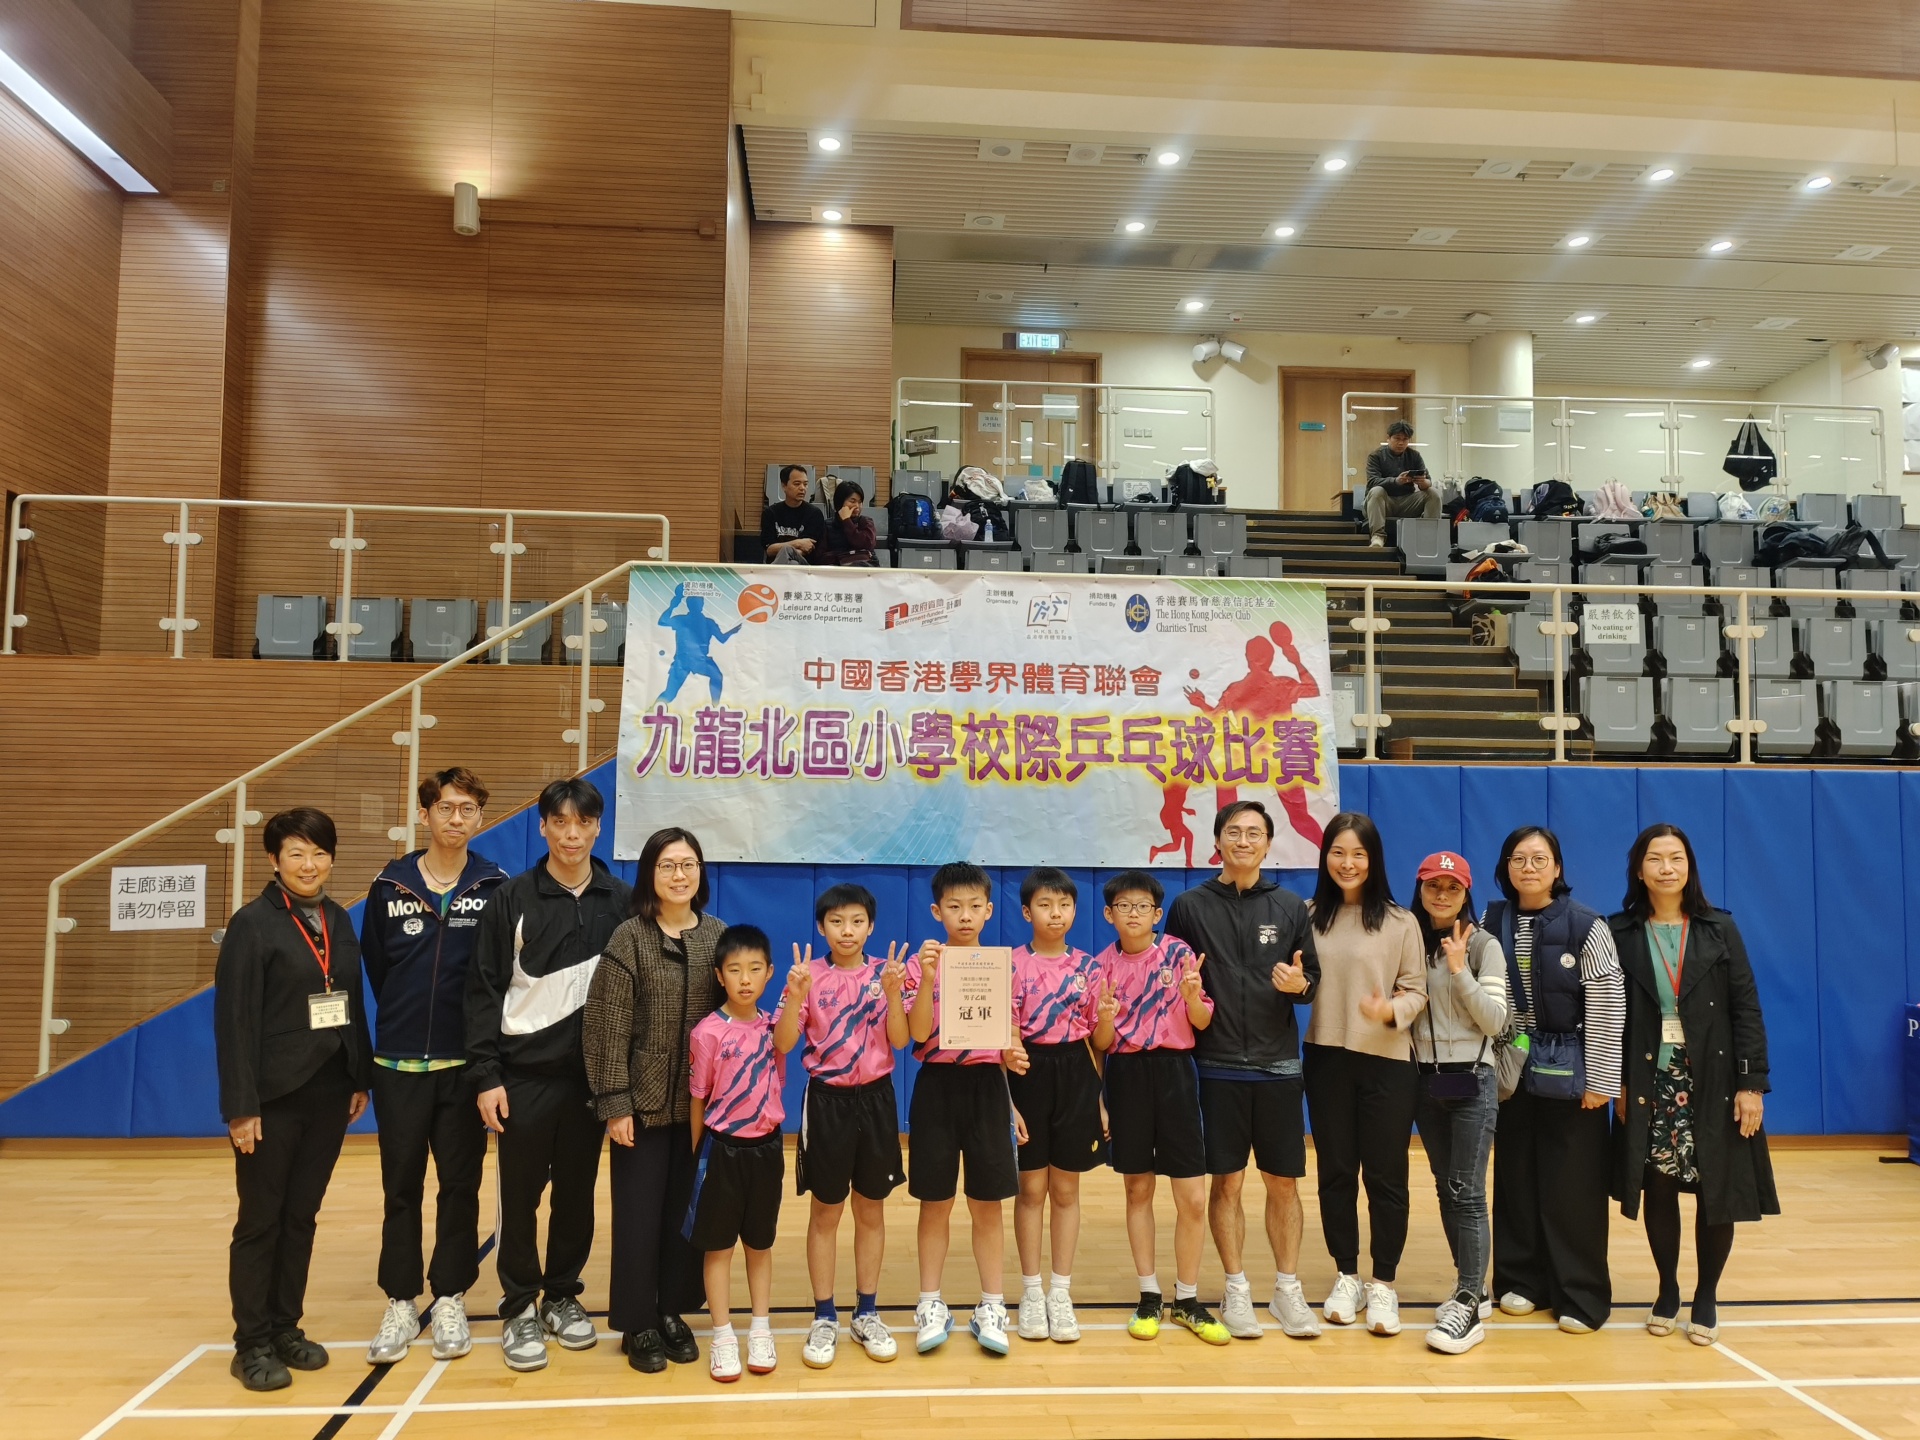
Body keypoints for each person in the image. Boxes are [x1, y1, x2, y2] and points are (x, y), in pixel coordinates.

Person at [466, 777, 631, 1373]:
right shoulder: (511, 899)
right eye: (559, 822)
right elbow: (482, 991)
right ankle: (518, 1306)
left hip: (591, 1082)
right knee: (520, 1198)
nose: (571, 833)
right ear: (542, 827)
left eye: (582, 822)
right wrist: (487, 1075)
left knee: (576, 1197)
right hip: (523, 1079)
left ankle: (562, 1294)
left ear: (597, 827)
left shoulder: (622, 900)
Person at [215, 808, 372, 1391]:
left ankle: (285, 1327)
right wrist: (241, 1107)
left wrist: (359, 1076)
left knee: (301, 1216)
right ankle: (251, 1343)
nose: (309, 865)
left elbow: (350, 1000)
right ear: (274, 860)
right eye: (297, 854)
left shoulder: (339, 918)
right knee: (262, 1221)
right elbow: (233, 1022)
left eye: (319, 853)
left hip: (329, 1092)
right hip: (271, 1098)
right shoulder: (252, 924)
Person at [361, 767, 507, 1366]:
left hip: (465, 1066)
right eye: (445, 807)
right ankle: (400, 1300)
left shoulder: (495, 886)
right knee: (401, 1188)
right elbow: (378, 967)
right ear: (425, 814)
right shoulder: (389, 886)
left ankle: (450, 1296)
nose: (455, 818)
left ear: (479, 818)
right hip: (398, 1065)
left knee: (459, 1186)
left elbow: (498, 975)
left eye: (467, 809)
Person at [1609, 824, 1777, 1346]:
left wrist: (1751, 1085)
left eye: (1676, 857)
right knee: (1658, 1185)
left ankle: (1706, 1295)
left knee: (1715, 1187)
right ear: (1639, 870)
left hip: (1714, 1078)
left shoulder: (1719, 928)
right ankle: (1667, 1289)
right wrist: (1615, 1083)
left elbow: (1746, 1009)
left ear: (1689, 866)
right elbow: (1608, 1015)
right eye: (1655, 858)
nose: (1666, 868)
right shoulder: (1619, 932)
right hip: (1650, 1078)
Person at [1163, 800, 1323, 1342]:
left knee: (1283, 1182)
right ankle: (1235, 1288)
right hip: (1216, 1066)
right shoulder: (1189, 906)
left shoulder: (1290, 906)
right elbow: (1172, 978)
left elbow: (1311, 981)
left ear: (1268, 843)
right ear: (1218, 841)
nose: (1244, 841)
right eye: (1234, 832)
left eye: (1255, 833)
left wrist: (1300, 986)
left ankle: (1287, 1288)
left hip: (1279, 1066)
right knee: (1226, 1182)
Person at [584, 826, 727, 1374]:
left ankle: (672, 1310)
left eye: (688, 864)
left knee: (684, 1216)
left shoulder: (717, 936)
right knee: (638, 1217)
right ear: (650, 874)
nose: (679, 875)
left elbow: (735, 1016)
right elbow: (606, 1026)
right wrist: (614, 1102)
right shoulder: (630, 937)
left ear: (700, 873)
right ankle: (638, 1321)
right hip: (639, 1108)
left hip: (700, 1110)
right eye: (667, 865)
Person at [1484, 824, 1625, 1334]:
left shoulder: (1587, 925)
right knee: (1516, 1177)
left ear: (1557, 868)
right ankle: (1521, 1281)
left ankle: (1580, 1294)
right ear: (1506, 867)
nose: (1528, 867)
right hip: (1511, 1066)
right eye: (1518, 858)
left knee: (1573, 1186)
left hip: (1571, 1070)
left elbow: (1608, 1004)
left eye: (1539, 859)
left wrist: (1602, 1080)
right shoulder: (1490, 920)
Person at [773, 883, 912, 1369]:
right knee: (826, 1211)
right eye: (836, 921)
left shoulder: (884, 975)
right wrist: (795, 996)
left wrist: (893, 994)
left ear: (871, 926)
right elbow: (784, 1044)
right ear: (821, 927)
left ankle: (867, 1312)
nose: (846, 930)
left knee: (870, 1209)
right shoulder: (807, 976)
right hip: (826, 1102)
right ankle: (824, 1316)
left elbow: (900, 1041)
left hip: (876, 1100)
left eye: (856, 921)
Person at [1092, 870, 1230, 1346]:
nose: (1133, 914)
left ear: (1156, 913)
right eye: (1123, 906)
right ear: (1109, 914)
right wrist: (1105, 1023)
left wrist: (1192, 998)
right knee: (1138, 1190)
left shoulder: (1179, 954)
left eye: (1142, 907)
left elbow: (1202, 1019)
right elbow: (1100, 1043)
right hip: (1127, 1076)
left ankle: (1187, 1298)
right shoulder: (1101, 966)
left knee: (1192, 1197)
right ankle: (1149, 1295)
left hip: (1175, 1073)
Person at [1302, 812, 1427, 1337]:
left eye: (1358, 853)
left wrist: (1390, 1010)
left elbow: (1417, 990)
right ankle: (1346, 1275)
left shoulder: (1401, 922)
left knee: (1385, 1176)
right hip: (1326, 1056)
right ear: (1325, 857)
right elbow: (1298, 979)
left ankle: (1384, 1283)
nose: (1347, 863)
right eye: (1338, 852)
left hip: (1387, 1062)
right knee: (1335, 1172)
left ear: (1373, 860)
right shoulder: (1307, 915)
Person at [906, 862, 1023, 1356]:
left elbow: (1009, 1036)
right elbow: (915, 1033)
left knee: (987, 1203)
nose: (965, 915)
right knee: (935, 1202)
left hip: (988, 1089)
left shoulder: (1002, 966)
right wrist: (929, 978)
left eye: (975, 906)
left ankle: (991, 1305)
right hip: (936, 1086)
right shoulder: (921, 965)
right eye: (954, 907)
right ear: (937, 912)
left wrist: (1013, 1078)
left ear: (989, 910)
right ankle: (929, 1302)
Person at [1406, 851, 1509, 1355]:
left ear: (1466, 893)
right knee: (1446, 1187)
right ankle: (1474, 1287)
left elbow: (1495, 1021)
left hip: (1473, 1080)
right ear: (1421, 889)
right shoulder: (1409, 940)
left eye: (1452, 887)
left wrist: (1459, 970)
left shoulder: (1484, 945)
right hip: (1426, 1084)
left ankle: (1469, 1298)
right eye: (1433, 886)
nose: (1442, 894)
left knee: (1467, 1191)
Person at [1005, 868, 1106, 1345]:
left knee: (1066, 1189)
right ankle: (1031, 1290)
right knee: (1031, 1189)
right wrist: (1008, 1101)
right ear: (1027, 912)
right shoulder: (1009, 966)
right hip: (1027, 1074)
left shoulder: (1090, 968)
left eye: (1064, 905)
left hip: (1075, 1075)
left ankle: (1060, 1292)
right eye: (1045, 905)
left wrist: (1099, 1099)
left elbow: (1100, 1043)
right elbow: (1003, 1041)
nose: (1056, 913)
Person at [685, 925, 787, 1382]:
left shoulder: (774, 1029)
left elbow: (778, 1081)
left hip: (766, 1151)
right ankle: (723, 1335)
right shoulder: (707, 1032)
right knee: (719, 1246)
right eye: (734, 970)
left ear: (769, 973)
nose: (745, 979)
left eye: (754, 969)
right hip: (721, 1152)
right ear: (719, 975)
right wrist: (697, 1156)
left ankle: (760, 1328)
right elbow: (698, 1099)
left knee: (759, 1244)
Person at [656, 582, 740, 704]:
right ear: (689, 605)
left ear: (702, 604)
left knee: (717, 676)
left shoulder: (706, 622)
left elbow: (722, 639)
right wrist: (676, 601)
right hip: (683, 661)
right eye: (695, 603)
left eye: (700, 603)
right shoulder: (683, 620)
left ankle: (715, 707)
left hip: (699, 660)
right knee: (670, 693)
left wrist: (732, 631)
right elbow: (662, 621)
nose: (698, 606)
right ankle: (653, 711)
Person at [1363, 420, 1440, 547]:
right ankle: (1378, 536)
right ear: (1388, 438)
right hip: (1383, 502)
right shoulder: (1376, 456)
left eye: (1405, 439)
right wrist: (1396, 481)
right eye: (1397, 438)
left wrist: (1422, 482)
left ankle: (1428, 537)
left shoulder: (1414, 456)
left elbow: (1428, 482)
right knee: (1377, 490)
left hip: (1407, 502)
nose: (1401, 443)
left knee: (1433, 493)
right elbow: (1372, 481)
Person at [761, 463, 826, 563]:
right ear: (784, 486)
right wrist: (798, 543)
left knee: (791, 559)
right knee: (789, 557)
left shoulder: (814, 514)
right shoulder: (770, 513)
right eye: (797, 484)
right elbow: (769, 550)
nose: (802, 488)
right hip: (776, 567)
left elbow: (808, 548)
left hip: (803, 566)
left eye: (805, 484)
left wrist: (784, 549)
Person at [817, 479, 878, 567]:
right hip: (837, 571)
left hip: (864, 570)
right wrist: (846, 556)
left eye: (860, 502)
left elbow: (867, 545)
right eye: (852, 501)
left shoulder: (866, 522)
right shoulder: (827, 525)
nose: (857, 506)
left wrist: (846, 521)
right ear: (840, 502)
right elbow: (820, 557)